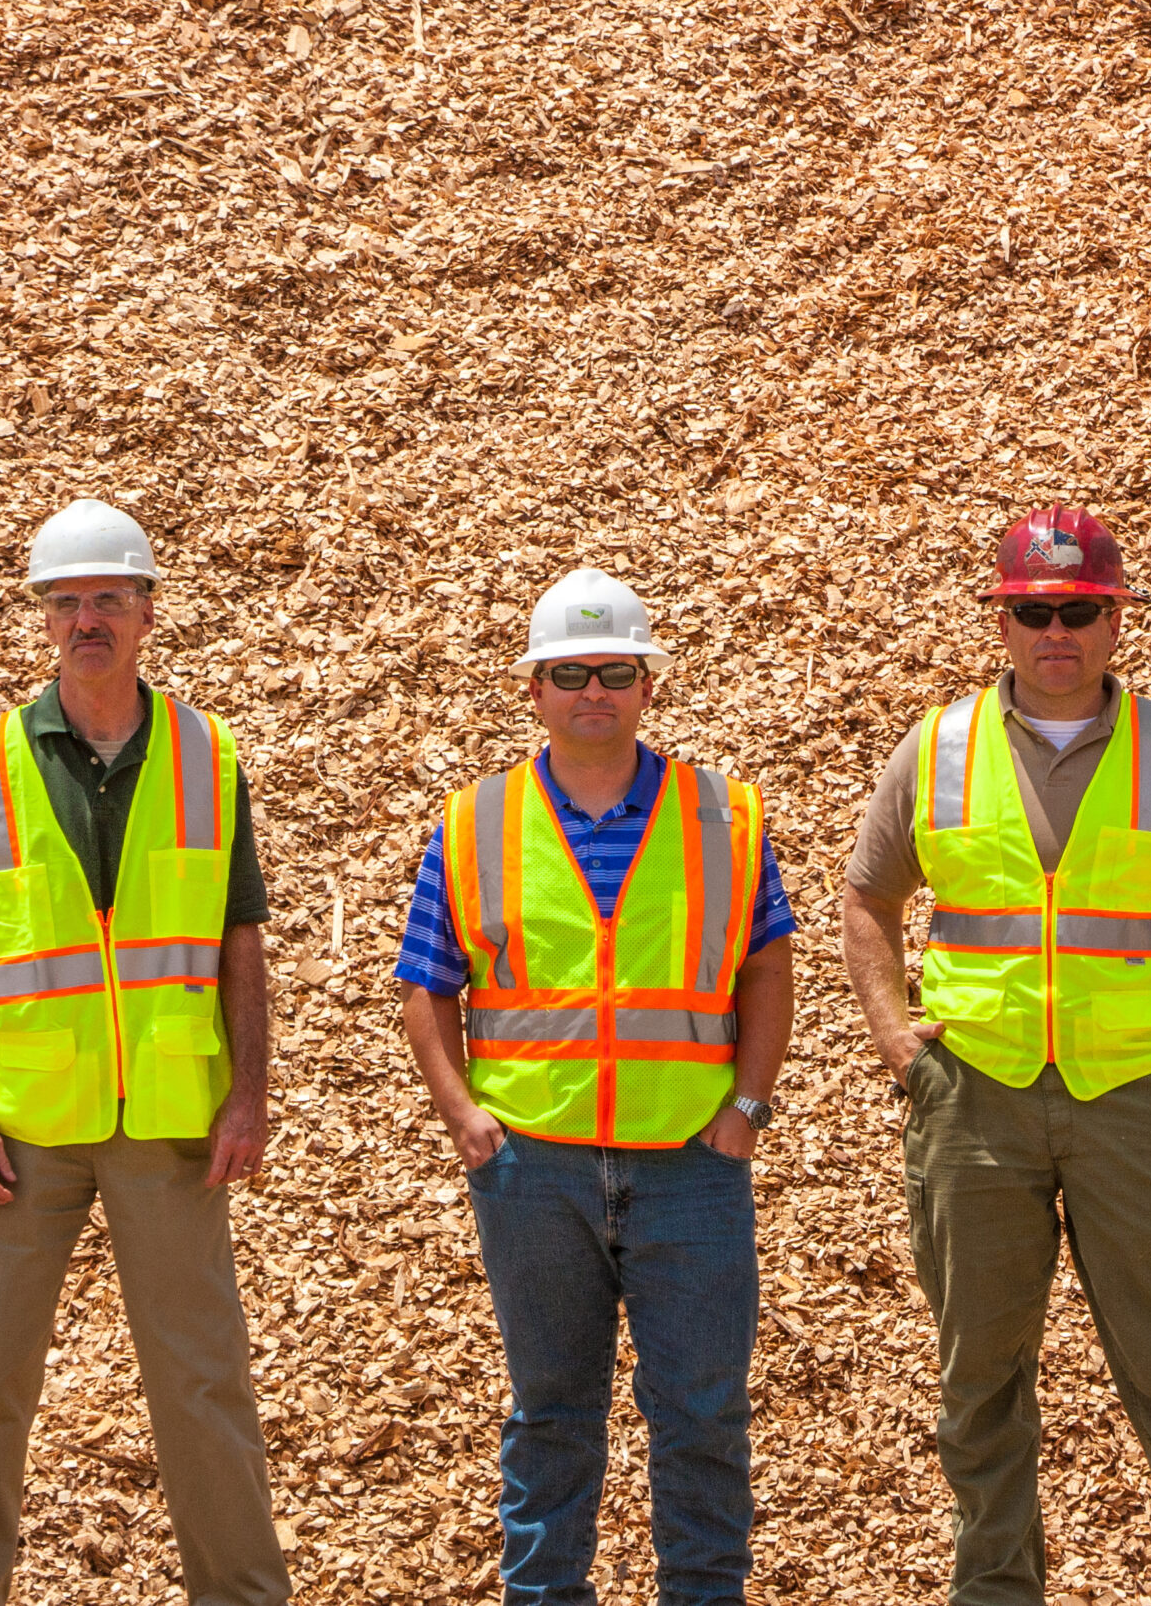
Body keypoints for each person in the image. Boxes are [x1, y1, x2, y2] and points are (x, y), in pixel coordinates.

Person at [839, 506, 1151, 1606]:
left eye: (1080, 610)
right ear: (1003, 621)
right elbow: (867, 900)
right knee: (979, 1384)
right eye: (1036, 610)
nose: (1058, 631)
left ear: (1113, 622)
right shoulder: (935, 746)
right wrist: (901, 1044)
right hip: (974, 1104)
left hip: (1128, 1105)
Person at [397, 569, 797, 1606]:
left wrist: (746, 1111)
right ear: (532, 688)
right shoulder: (474, 821)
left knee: (702, 1413)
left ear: (646, 684)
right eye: (568, 673)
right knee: (550, 1412)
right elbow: (427, 984)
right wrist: (465, 1118)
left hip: (691, 1166)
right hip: (534, 1166)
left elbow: (767, 965)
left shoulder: (725, 815)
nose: (592, 691)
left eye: (614, 671)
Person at [0, 498, 290, 1606]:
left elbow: (240, 944)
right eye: (67, 600)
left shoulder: (207, 750)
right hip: (24, 1128)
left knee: (201, 1383)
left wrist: (247, 1098)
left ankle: (242, 1596)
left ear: (145, 612)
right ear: (43, 616)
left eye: (108, 599)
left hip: (173, 1124)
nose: (88, 618)